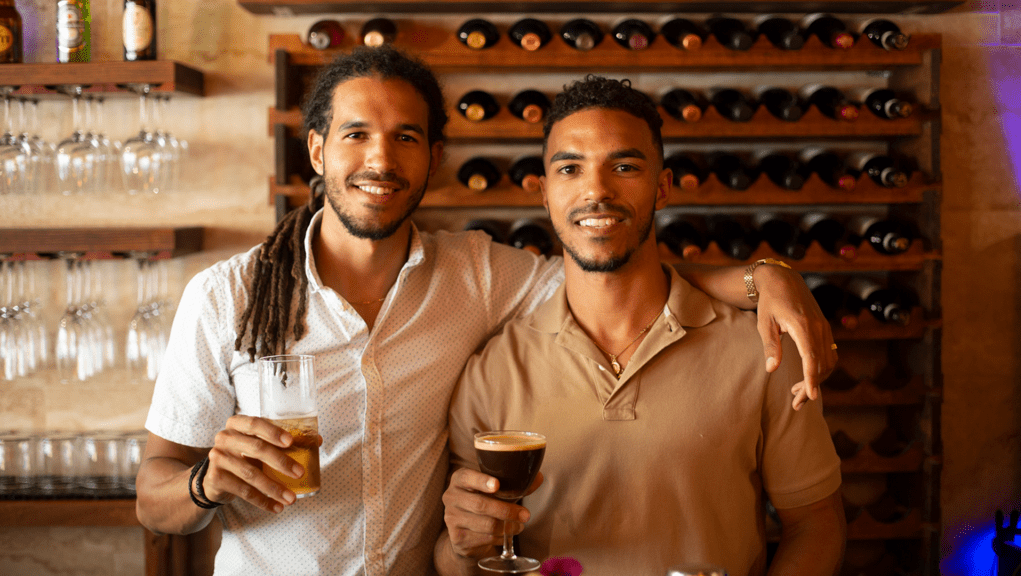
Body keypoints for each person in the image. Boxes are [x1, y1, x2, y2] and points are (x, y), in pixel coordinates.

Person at [135, 47, 836, 575]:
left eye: (406, 137)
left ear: (434, 158)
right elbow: (152, 497)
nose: (379, 159)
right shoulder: (227, 297)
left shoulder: (474, 275)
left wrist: (764, 279)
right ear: (316, 149)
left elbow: (606, 261)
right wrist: (204, 483)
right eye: (355, 135)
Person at [436, 76, 846, 576]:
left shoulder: (762, 350)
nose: (596, 190)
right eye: (570, 168)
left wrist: (773, 274)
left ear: (663, 187)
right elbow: (458, 558)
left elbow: (816, 524)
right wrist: (461, 548)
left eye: (624, 166)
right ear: (544, 193)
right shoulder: (491, 369)